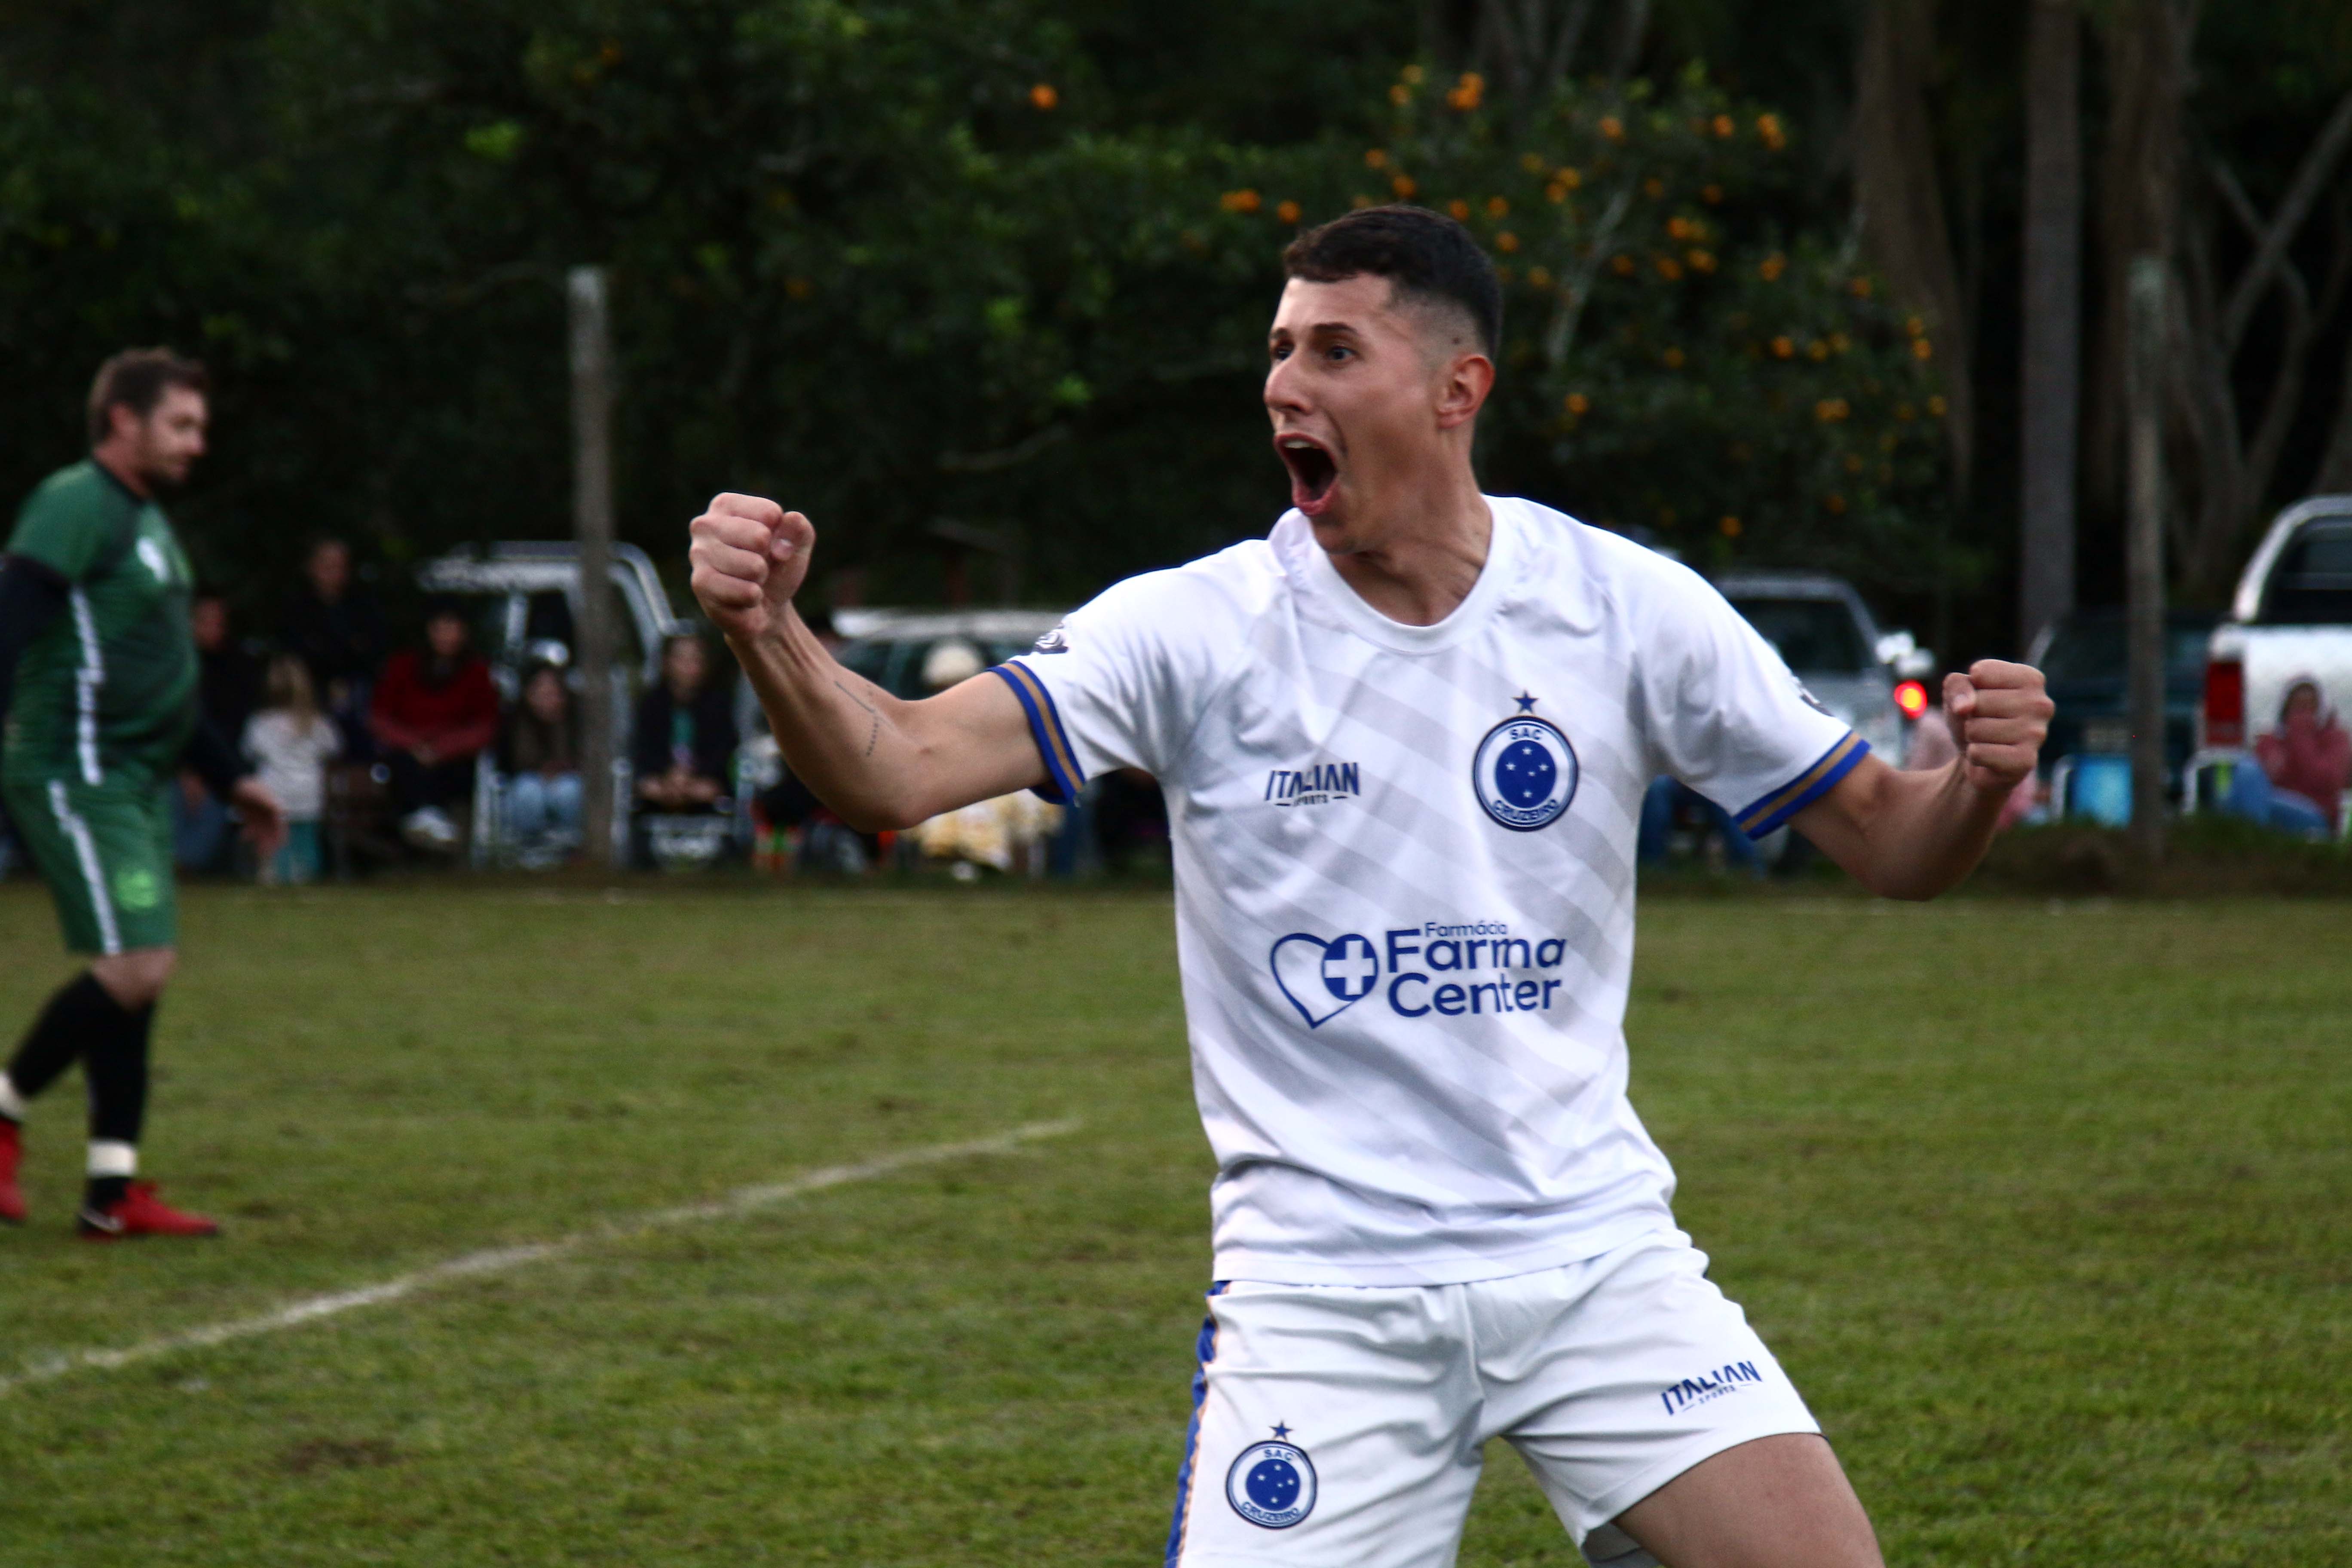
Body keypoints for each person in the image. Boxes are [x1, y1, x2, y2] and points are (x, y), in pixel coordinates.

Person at [691, 205, 2053, 1568]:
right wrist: (769, 632)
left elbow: (1891, 841)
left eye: (1335, 350)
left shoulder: (1624, 607)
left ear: (1459, 390)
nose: (1287, 384)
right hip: (1322, 1300)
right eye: (1280, 351)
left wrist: (1975, 784)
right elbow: (898, 767)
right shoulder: (1197, 629)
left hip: (1595, 1260)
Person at [0, 348, 285, 1237]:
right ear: (123, 420)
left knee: (137, 969)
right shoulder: (76, 500)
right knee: (137, 963)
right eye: (181, 424)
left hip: (131, 778)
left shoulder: (148, 521)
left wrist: (231, 774)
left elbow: (161, 679)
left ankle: (111, 1191)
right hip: (76, 769)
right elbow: (12, 621)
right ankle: (4, 1112)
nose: (197, 443)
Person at [369, 601, 498, 854]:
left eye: (453, 629)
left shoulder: (477, 671)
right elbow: (380, 718)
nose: (447, 637)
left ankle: (432, 825)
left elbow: (486, 724)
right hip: (408, 752)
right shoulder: (402, 666)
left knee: (454, 773)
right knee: (405, 768)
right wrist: (415, 745)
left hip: (455, 757)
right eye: (441, 629)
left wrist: (444, 748)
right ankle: (425, 824)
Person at [175, 590, 261, 873]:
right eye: (206, 621)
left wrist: (209, 770)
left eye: (219, 622)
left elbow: (232, 725)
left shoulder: (238, 669)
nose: (214, 629)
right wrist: (187, 769)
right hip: (174, 766)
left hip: (221, 768)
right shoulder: (176, 665)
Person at [279, 536, 386, 755]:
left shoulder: (362, 604)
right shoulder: (297, 606)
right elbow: (298, 652)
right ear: (311, 567)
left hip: (356, 687)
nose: (333, 572)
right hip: (310, 688)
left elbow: (371, 649)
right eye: (326, 565)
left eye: (340, 566)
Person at [242, 654, 341, 884]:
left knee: (278, 844)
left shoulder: (260, 724)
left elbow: (249, 752)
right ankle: (305, 878)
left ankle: (279, 877)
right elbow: (334, 748)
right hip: (308, 794)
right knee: (306, 845)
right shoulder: (318, 723)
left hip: (275, 794)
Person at [2223, 677, 2350, 838]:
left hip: (2317, 814)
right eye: (2298, 707)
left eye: (2310, 707)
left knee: (2248, 805)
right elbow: (2262, 780)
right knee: (2247, 770)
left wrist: (2301, 735)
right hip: (2270, 802)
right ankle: (2247, 838)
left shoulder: (2336, 739)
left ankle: (2248, 842)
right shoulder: (2273, 740)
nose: (2303, 714)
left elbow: (2326, 780)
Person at [631, 632, 737, 815]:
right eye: (681, 659)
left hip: (703, 782)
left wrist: (691, 778)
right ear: (666, 662)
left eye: (695, 659)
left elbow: (724, 751)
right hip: (662, 781)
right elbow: (643, 749)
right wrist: (668, 776)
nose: (688, 667)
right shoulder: (651, 704)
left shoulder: (719, 705)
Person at [500, 662, 583, 864]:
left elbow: (579, 758)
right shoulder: (516, 720)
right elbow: (510, 760)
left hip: (566, 777)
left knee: (569, 791)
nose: (548, 697)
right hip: (529, 779)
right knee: (528, 792)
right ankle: (531, 846)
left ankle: (568, 845)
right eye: (540, 691)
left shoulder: (575, 722)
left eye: (553, 692)